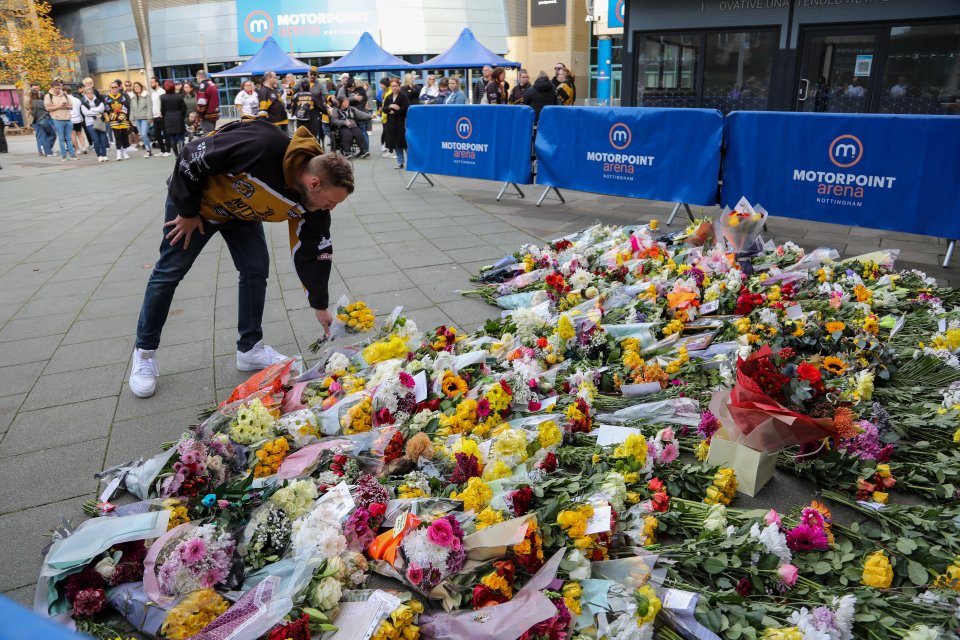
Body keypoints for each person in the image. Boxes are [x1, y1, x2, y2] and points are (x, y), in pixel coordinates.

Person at [129, 120, 354, 398]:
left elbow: (314, 249)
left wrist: (320, 305)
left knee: (255, 270)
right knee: (168, 273)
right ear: (314, 182)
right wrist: (187, 211)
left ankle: (249, 349)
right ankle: (145, 353)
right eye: (331, 202)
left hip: (240, 212)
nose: (330, 208)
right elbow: (190, 155)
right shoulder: (261, 145)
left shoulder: (314, 201)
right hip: (195, 205)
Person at [45, 81, 77, 161]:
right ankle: (64, 156)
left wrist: (67, 106)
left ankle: (73, 155)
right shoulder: (48, 96)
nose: (58, 90)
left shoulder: (65, 94)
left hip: (67, 118)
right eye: (56, 88)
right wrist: (59, 106)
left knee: (68, 138)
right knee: (61, 138)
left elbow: (71, 107)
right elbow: (47, 108)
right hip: (57, 119)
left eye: (59, 88)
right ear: (52, 88)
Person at [383, 78, 409, 169]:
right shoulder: (388, 97)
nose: (394, 88)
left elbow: (406, 108)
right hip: (391, 123)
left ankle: (411, 161)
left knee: (404, 143)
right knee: (396, 144)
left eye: (396, 86)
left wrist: (396, 112)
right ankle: (400, 162)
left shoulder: (403, 96)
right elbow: (384, 109)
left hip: (401, 123)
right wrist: (390, 106)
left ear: (399, 86)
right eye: (392, 86)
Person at [104, 79, 132, 160]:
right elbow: (106, 108)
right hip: (114, 120)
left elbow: (126, 107)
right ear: (110, 88)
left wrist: (121, 116)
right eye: (112, 87)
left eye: (116, 87)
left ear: (118, 88)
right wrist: (114, 115)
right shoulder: (107, 98)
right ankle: (118, 153)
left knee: (124, 136)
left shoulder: (122, 96)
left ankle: (125, 152)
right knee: (117, 136)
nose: (114, 89)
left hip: (123, 119)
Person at [79, 86, 109, 162]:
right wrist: (96, 111)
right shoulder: (83, 103)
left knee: (103, 139)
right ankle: (99, 155)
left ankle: (104, 155)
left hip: (100, 121)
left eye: (91, 92)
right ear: (85, 94)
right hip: (90, 123)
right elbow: (86, 113)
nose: (90, 94)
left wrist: (91, 110)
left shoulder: (98, 101)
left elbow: (101, 109)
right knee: (96, 140)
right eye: (87, 93)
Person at [160, 80, 187, 156]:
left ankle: (176, 155)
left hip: (168, 118)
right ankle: (182, 153)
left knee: (172, 137)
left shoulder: (163, 97)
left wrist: (165, 116)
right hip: (179, 117)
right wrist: (182, 115)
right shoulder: (179, 96)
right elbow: (184, 108)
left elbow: (162, 110)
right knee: (181, 137)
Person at [292, 80, 322, 145]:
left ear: (301, 87)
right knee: (312, 136)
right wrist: (325, 111)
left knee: (301, 136)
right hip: (311, 118)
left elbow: (293, 105)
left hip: (300, 119)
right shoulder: (312, 95)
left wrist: (293, 113)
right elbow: (319, 105)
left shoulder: (297, 95)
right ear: (309, 87)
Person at [130, 81, 155, 156]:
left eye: (137, 86)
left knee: (144, 134)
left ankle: (148, 150)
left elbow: (149, 107)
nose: (136, 88)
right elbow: (132, 109)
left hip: (145, 118)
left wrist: (150, 117)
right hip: (137, 119)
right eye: (135, 87)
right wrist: (131, 118)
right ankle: (148, 150)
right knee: (143, 134)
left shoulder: (146, 95)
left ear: (141, 87)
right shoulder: (133, 97)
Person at [149, 76, 170, 157]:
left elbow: (164, 104)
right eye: (150, 82)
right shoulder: (153, 92)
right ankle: (162, 150)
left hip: (162, 116)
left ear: (157, 83)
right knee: (157, 134)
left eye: (152, 82)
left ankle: (168, 151)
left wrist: (163, 113)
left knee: (166, 134)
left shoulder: (162, 91)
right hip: (155, 116)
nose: (151, 84)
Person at [31, 88, 55, 157]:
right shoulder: (40, 102)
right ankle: (47, 150)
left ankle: (43, 151)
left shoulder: (30, 102)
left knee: (41, 136)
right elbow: (47, 109)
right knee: (52, 134)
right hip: (43, 119)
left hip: (36, 121)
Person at [66, 85, 88, 155]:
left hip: (70, 119)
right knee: (80, 133)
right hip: (78, 118)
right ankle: (83, 147)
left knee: (73, 135)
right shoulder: (77, 99)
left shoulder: (66, 100)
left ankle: (77, 149)